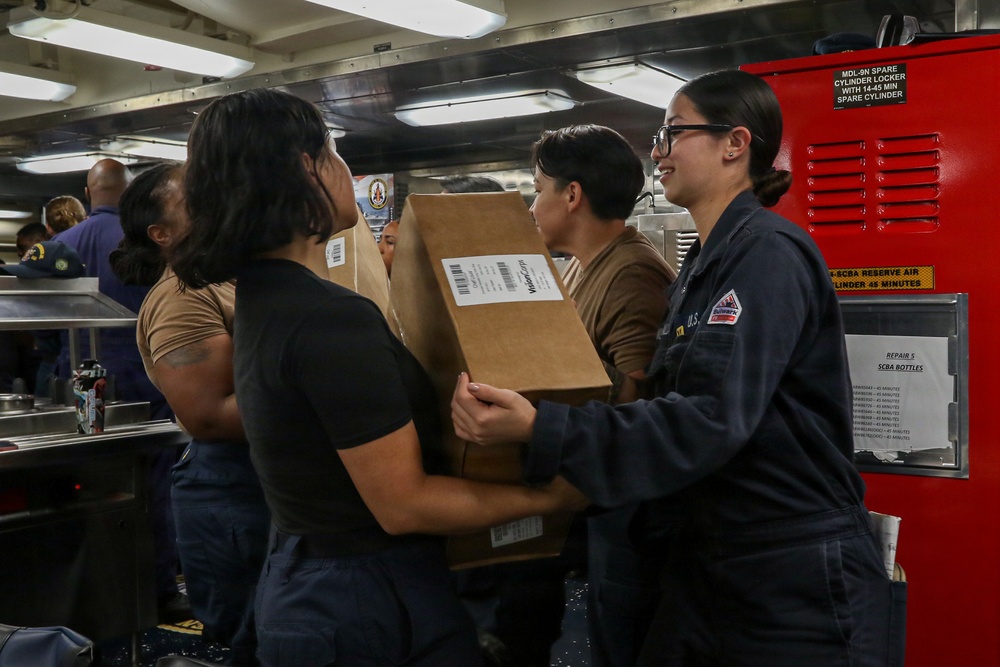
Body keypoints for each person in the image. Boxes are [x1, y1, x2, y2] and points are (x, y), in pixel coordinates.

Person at [452, 69, 902, 667]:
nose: (657, 152)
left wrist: (543, 428)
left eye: (673, 132)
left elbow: (709, 420)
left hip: (787, 573)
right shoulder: (707, 266)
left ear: (734, 144)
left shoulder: (766, 254)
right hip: (717, 561)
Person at [169, 88, 585, 667]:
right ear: (305, 169)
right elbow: (404, 503)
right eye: (334, 152)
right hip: (364, 597)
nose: (346, 170)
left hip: (304, 576)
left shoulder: (265, 299)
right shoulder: (328, 318)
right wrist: (549, 497)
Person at [109, 163, 269, 665]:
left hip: (260, 475)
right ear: (163, 234)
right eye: (196, 197)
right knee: (256, 634)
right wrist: (324, 395)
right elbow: (209, 416)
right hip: (232, 484)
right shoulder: (182, 297)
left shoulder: (228, 280)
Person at [529, 124, 675, 667]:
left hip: (625, 510)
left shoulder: (631, 271)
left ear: (572, 195)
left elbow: (638, 398)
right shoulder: (577, 267)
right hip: (594, 494)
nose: (533, 203)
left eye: (539, 188)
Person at [53, 158, 187, 622]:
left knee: (89, 485)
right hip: (143, 379)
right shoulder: (141, 241)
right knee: (153, 485)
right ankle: (159, 588)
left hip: (84, 383)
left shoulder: (59, 244)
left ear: (89, 192)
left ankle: (95, 583)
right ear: (130, 194)